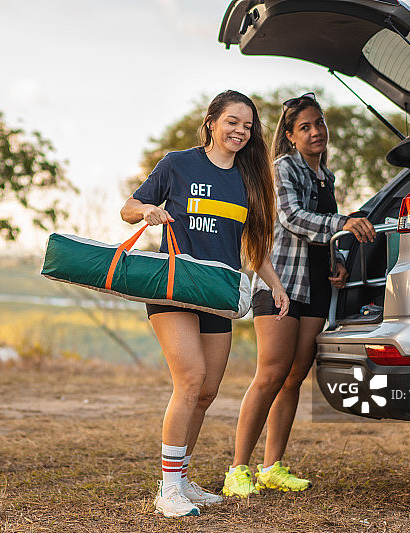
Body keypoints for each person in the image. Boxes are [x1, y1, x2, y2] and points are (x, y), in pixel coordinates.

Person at [120, 90, 289, 517]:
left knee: (207, 391)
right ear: (212, 121)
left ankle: (184, 479)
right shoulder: (178, 163)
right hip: (173, 288)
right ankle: (168, 490)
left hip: (218, 293)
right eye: (233, 121)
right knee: (191, 379)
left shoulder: (249, 178)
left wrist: (275, 285)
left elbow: (254, 245)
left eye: (248, 126)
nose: (240, 131)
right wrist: (146, 212)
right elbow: (128, 207)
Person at [223, 92, 376, 497]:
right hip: (280, 283)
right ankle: (237, 469)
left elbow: (323, 233)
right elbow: (290, 217)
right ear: (290, 136)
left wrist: (337, 260)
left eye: (319, 124)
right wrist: (343, 222)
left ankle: (271, 467)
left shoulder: (326, 176)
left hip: (316, 286)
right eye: (305, 127)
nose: (315, 132)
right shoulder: (282, 168)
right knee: (270, 374)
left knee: (293, 377)